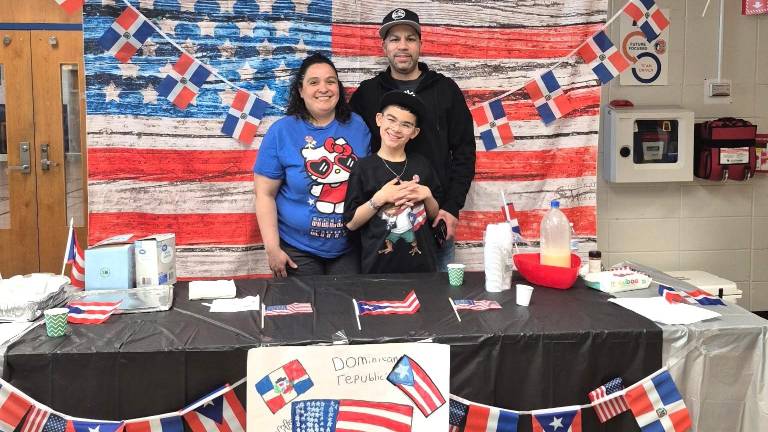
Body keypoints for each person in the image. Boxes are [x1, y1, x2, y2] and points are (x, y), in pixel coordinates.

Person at [349, 8, 476, 270]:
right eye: (394, 39)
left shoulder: (445, 90)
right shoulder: (367, 94)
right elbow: (347, 144)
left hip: (433, 216)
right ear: (384, 46)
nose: (403, 46)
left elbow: (464, 153)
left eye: (410, 38)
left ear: (420, 43)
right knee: (382, 301)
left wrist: (451, 207)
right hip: (381, 225)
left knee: (437, 302)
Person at [253, 53, 371, 277]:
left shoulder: (358, 126)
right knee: (305, 310)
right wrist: (272, 248)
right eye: (313, 82)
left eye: (330, 81)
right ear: (300, 90)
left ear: (339, 87)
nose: (323, 88)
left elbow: (369, 180)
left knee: (346, 311)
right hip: (297, 250)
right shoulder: (281, 132)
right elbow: (264, 194)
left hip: (349, 248)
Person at [344, 91, 442, 274]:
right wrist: (380, 198)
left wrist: (427, 195)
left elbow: (433, 214)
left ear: (414, 132)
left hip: (423, 267)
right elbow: (351, 223)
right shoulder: (363, 168)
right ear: (379, 119)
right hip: (378, 268)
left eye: (406, 125)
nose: (396, 129)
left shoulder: (422, 164)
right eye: (391, 119)